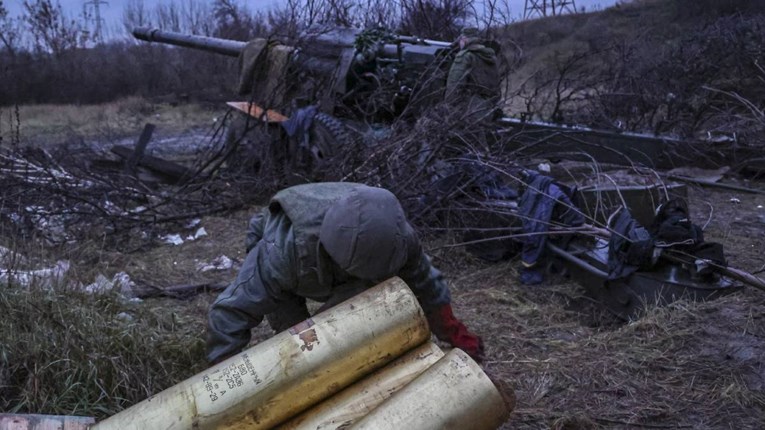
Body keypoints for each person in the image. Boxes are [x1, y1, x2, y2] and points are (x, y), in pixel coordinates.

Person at [206, 182, 484, 364]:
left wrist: (454, 331)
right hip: (292, 254)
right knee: (301, 341)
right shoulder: (281, 254)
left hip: (342, 263)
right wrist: (224, 384)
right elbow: (229, 313)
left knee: (337, 337)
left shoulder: (396, 237)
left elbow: (425, 284)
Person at [445, 27, 501, 117]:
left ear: (464, 39)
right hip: (488, 108)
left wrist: (448, 109)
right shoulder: (489, 56)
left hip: (469, 110)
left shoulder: (465, 56)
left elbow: (454, 84)